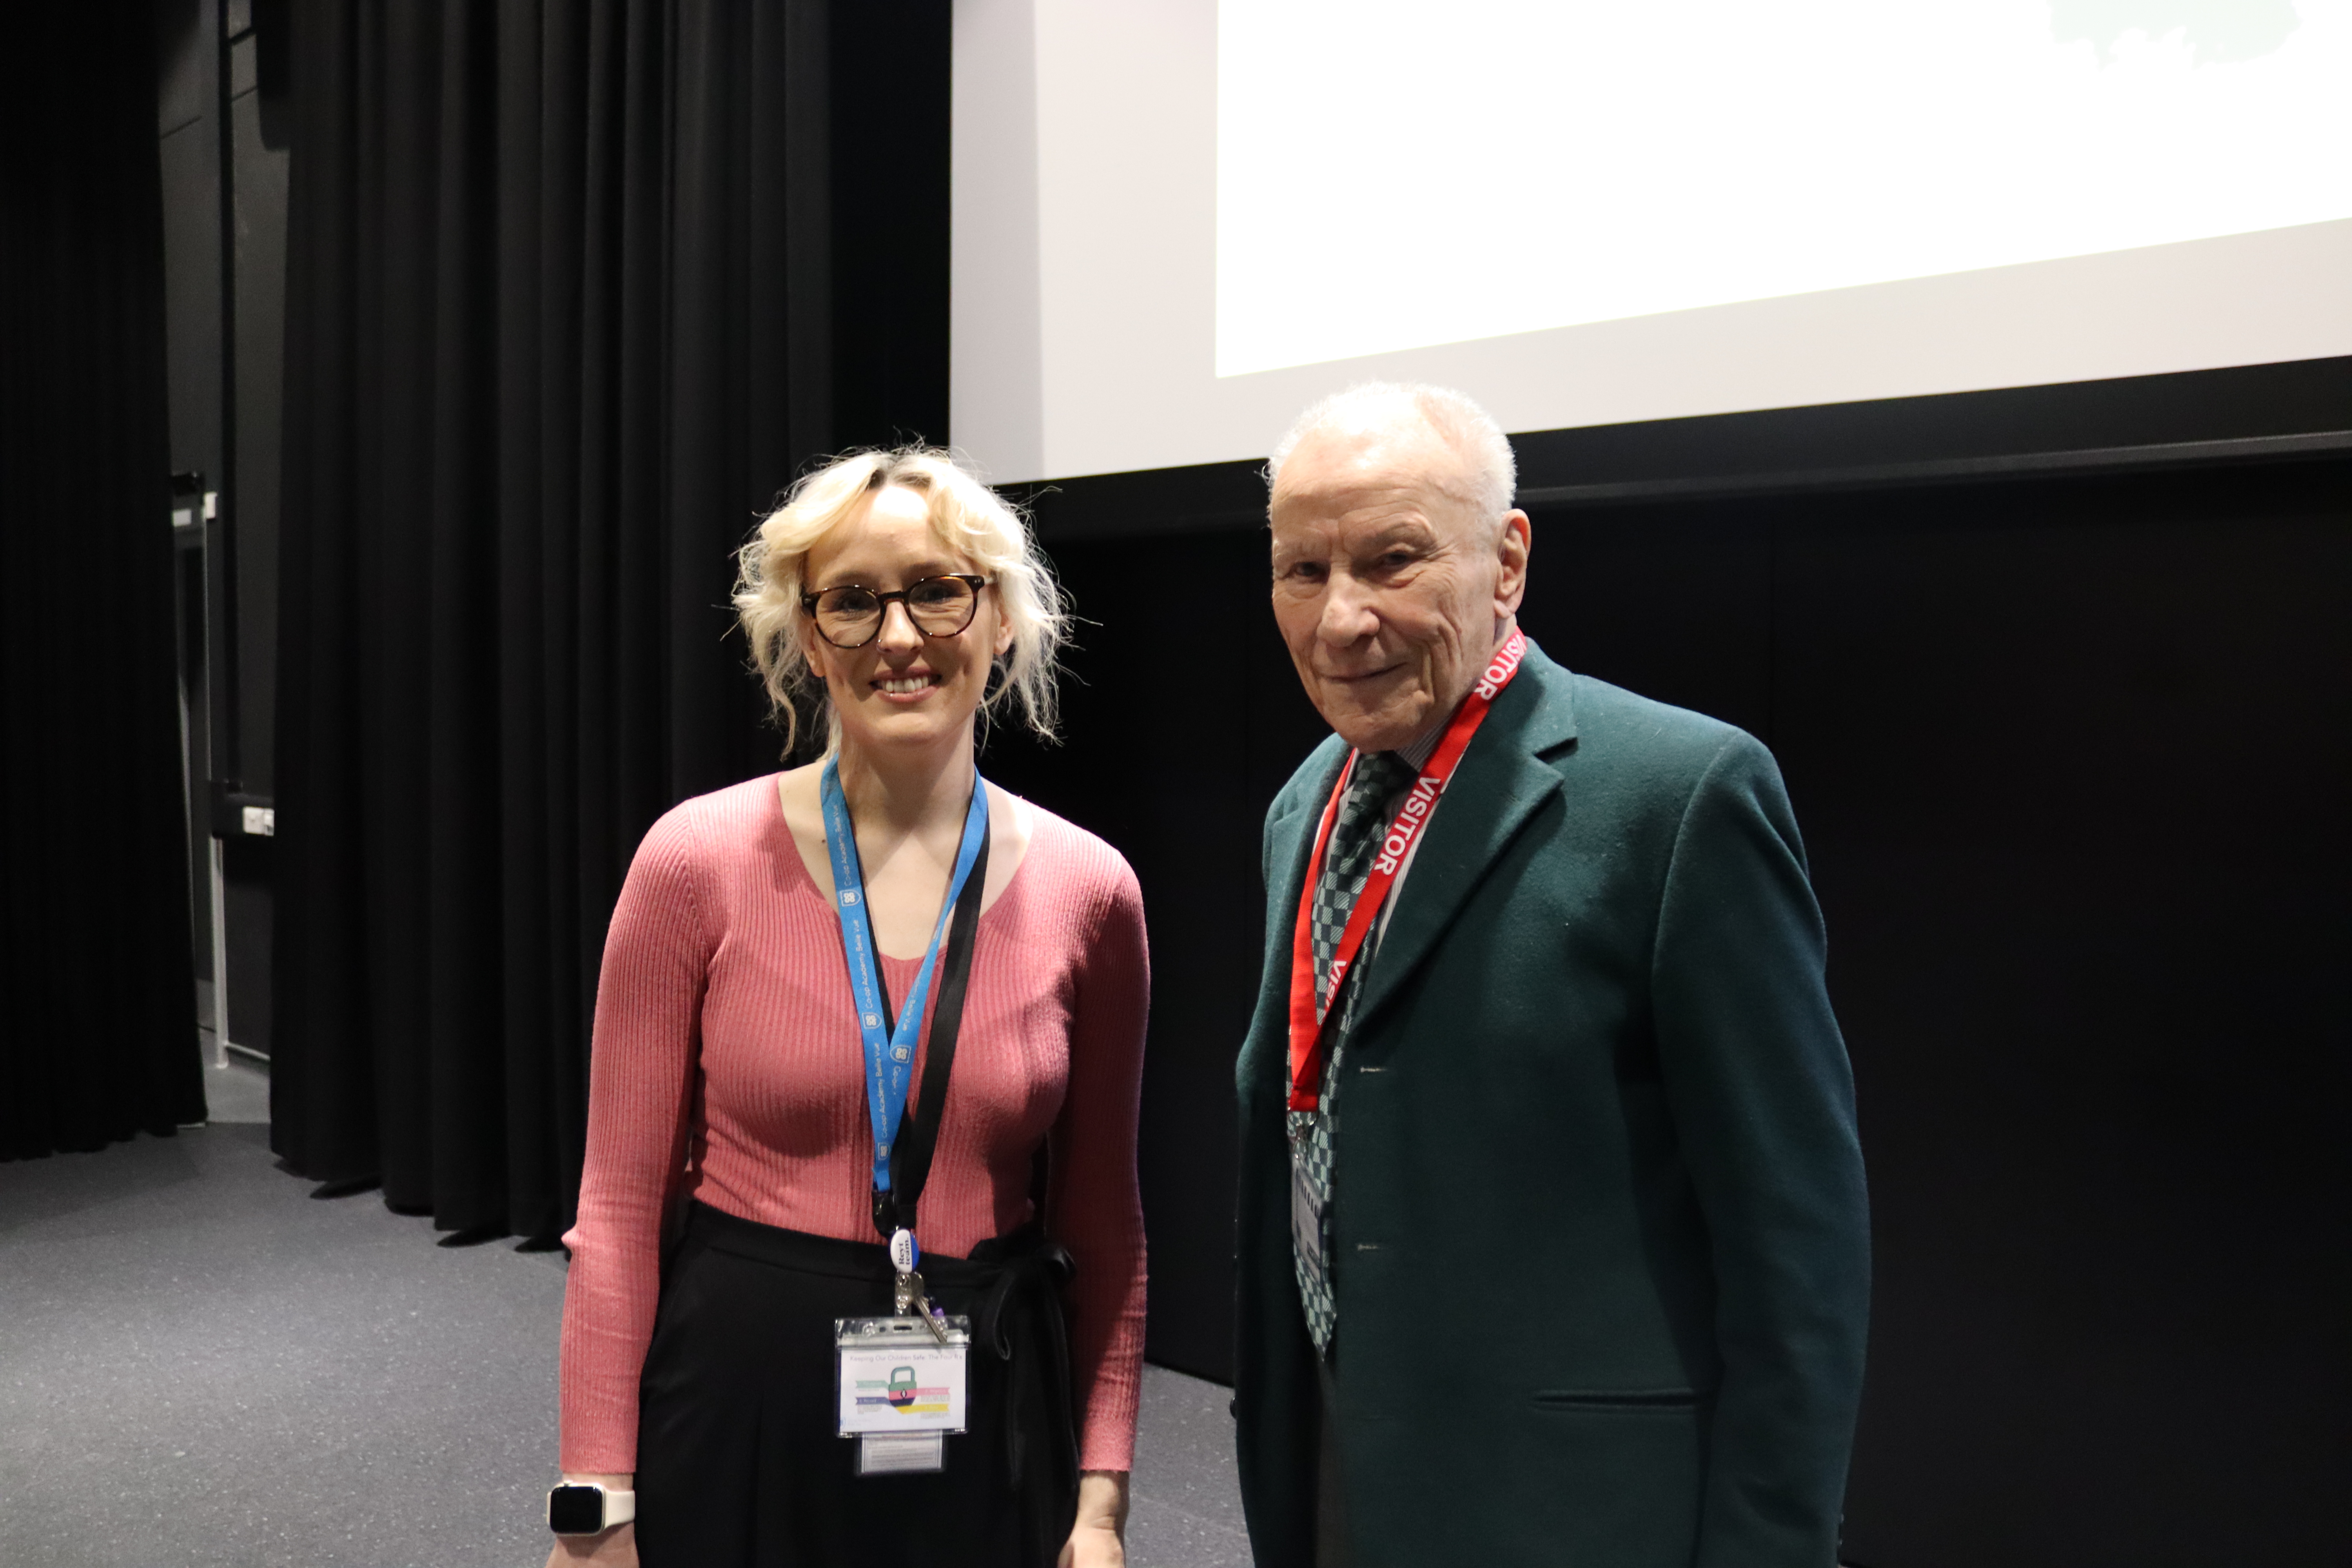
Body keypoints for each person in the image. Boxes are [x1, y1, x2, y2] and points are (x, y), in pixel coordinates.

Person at [1231, 383, 1869, 1567]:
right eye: (1303, 571)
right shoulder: (1301, 807)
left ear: (1508, 561)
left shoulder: (1682, 796)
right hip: (1336, 1471)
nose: (1342, 619)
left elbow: (1797, 1242)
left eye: (1393, 560)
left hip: (1574, 1512)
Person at [546, 448, 1148, 1568]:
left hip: (990, 1415)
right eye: (854, 601)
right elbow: (618, 1209)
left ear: (1000, 620)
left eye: (938, 590)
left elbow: (1106, 1223)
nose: (900, 636)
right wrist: (595, 1504)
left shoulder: (1093, 891)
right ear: (811, 638)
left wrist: (1101, 1502)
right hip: (740, 1408)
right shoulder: (693, 862)